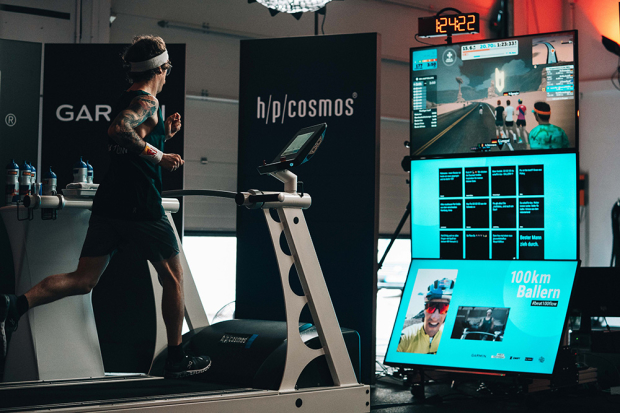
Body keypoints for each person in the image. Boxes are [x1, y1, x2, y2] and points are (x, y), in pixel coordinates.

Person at [0, 35, 211, 379]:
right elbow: (119, 130)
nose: (167, 75)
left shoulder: (131, 98)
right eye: (167, 70)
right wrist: (160, 155)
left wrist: (164, 135)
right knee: (174, 278)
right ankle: (176, 359)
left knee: (83, 280)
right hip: (140, 203)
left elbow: (132, 140)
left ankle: (14, 305)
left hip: (110, 202)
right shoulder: (147, 101)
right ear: (160, 69)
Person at [397, 278, 454, 354]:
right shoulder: (407, 335)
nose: (434, 317)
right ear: (424, 309)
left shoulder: (450, 338)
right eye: (431, 307)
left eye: (443, 308)